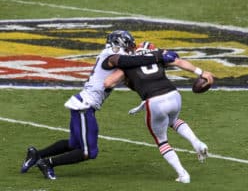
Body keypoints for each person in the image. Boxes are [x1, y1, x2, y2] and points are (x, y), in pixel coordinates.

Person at [20, 31, 178, 180]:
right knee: (89, 152)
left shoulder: (116, 58)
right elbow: (125, 61)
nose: (131, 49)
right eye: (129, 45)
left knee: (74, 144)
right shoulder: (111, 56)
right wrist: (157, 56)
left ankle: (36, 155)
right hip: (84, 106)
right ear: (119, 44)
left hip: (85, 105)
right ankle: (48, 163)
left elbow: (131, 75)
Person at [104, 42, 214, 183]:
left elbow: (108, 83)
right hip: (174, 95)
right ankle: (197, 143)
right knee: (173, 121)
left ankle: (183, 175)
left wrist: (126, 79)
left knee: (161, 141)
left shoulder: (128, 62)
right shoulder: (157, 55)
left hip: (155, 101)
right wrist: (201, 73)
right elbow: (179, 62)